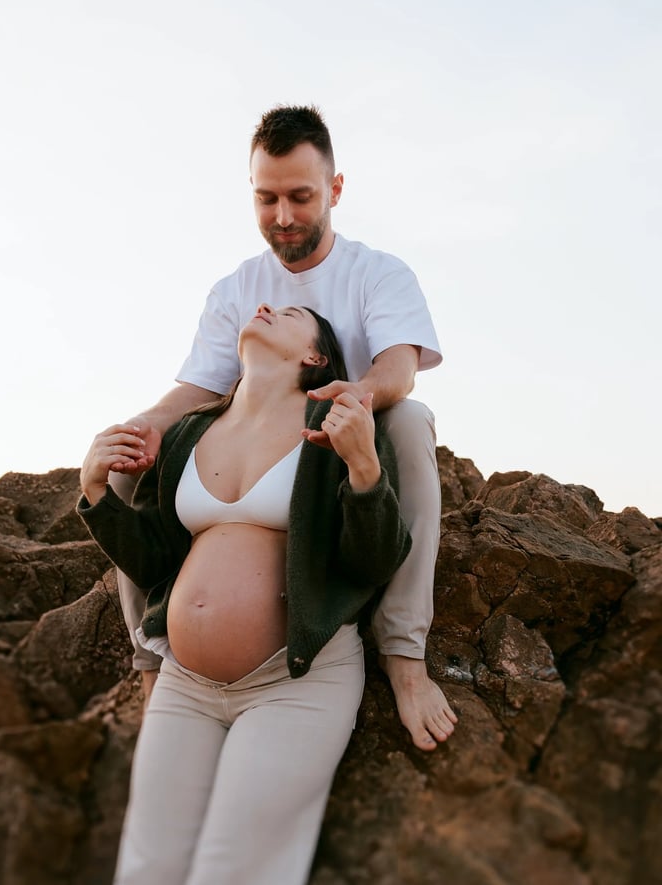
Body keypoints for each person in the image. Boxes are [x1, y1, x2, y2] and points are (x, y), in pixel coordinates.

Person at [109, 105, 457, 751]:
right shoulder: (239, 287)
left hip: (348, 447)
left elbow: (398, 368)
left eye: (301, 196)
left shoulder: (377, 271)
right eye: (267, 198)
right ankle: (154, 661)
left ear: (335, 189)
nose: (284, 216)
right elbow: (204, 385)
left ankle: (406, 658)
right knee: (133, 448)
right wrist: (145, 422)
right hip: (249, 445)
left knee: (410, 420)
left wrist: (349, 399)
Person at [78, 303, 410, 885]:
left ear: (315, 356)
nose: (263, 308)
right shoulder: (190, 431)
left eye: (286, 313)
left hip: (295, 685)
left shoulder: (339, 426)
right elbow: (156, 560)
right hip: (184, 683)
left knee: (235, 872)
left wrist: (363, 469)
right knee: (146, 869)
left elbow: (372, 562)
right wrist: (97, 493)